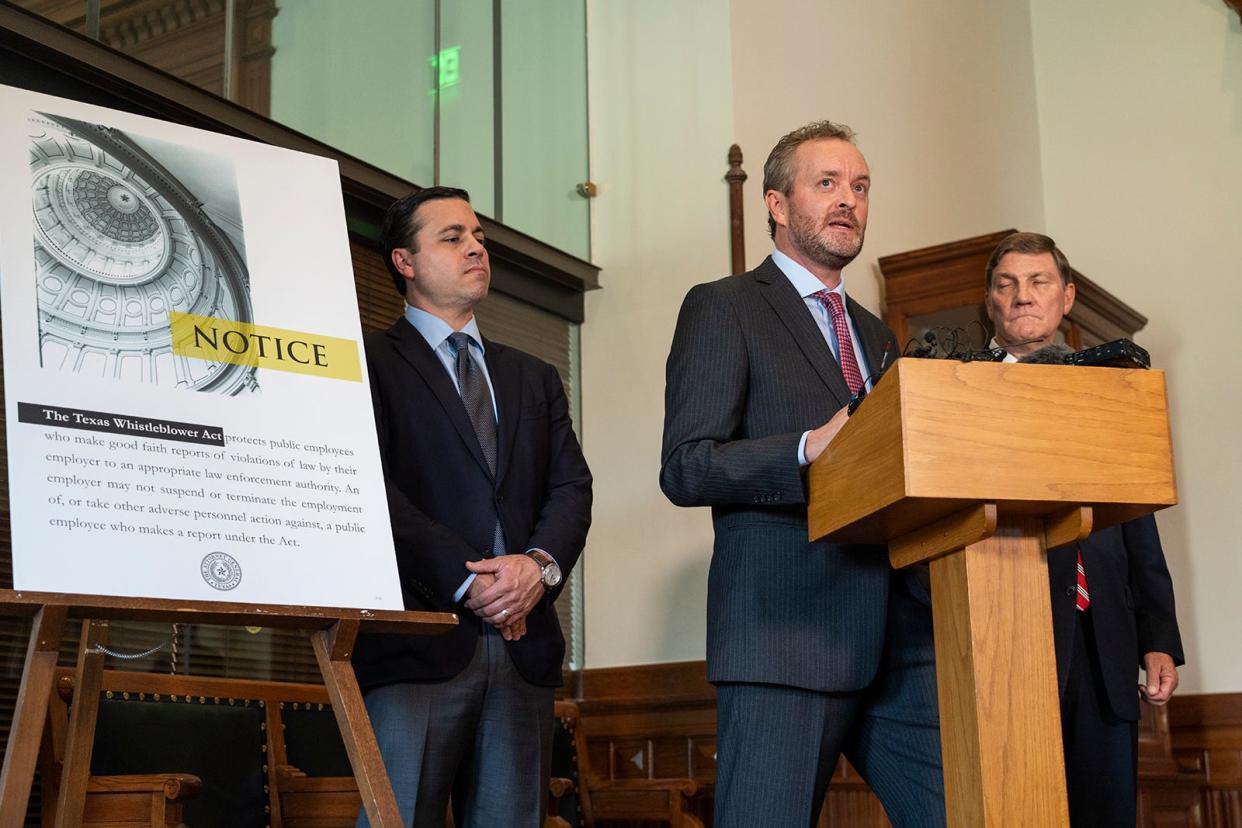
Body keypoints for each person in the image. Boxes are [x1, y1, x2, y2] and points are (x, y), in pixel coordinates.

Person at [660, 121, 944, 827]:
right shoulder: (723, 307)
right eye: (827, 184)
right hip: (785, 637)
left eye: (860, 187)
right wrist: (803, 450)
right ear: (778, 205)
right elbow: (687, 467)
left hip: (898, 639)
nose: (848, 200)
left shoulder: (877, 334)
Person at [351, 186, 592, 827]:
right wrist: (472, 580)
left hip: (523, 645)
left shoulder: (534, 376)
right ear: (405, 262)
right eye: (452, 237)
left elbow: (572, 488)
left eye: (478, 236)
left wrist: (534, 568)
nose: (476, 247)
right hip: (418, 642)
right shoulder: (365, 363)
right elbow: (369, 488)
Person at [983, 231, 1184, 827]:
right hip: (1010, 644)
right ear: (991, 301)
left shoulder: (1108, 390)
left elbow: (1137, 521)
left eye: (1039, 282)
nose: (1023, 296)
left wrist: (1158, 634)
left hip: (1106, 648)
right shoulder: (963, 388)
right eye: (1007, 284)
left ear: (1066, 298)